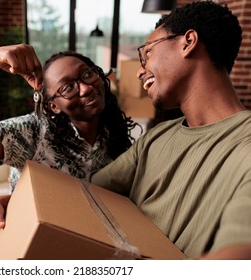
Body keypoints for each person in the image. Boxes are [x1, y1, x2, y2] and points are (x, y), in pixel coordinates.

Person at [0, 45, 138, 259]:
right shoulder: (33, 132)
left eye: (87, 74)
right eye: (67, 88)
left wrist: (5, 199)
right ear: (53, 106)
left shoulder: (113, 131)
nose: (85, 88)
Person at [91, 1, 251, 259]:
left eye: (148, 53)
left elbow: (240, 253)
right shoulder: (155, 138)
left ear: (188, 42)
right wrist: (27, 201)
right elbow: (86, 192)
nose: (140, 72)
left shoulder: (245, 145)